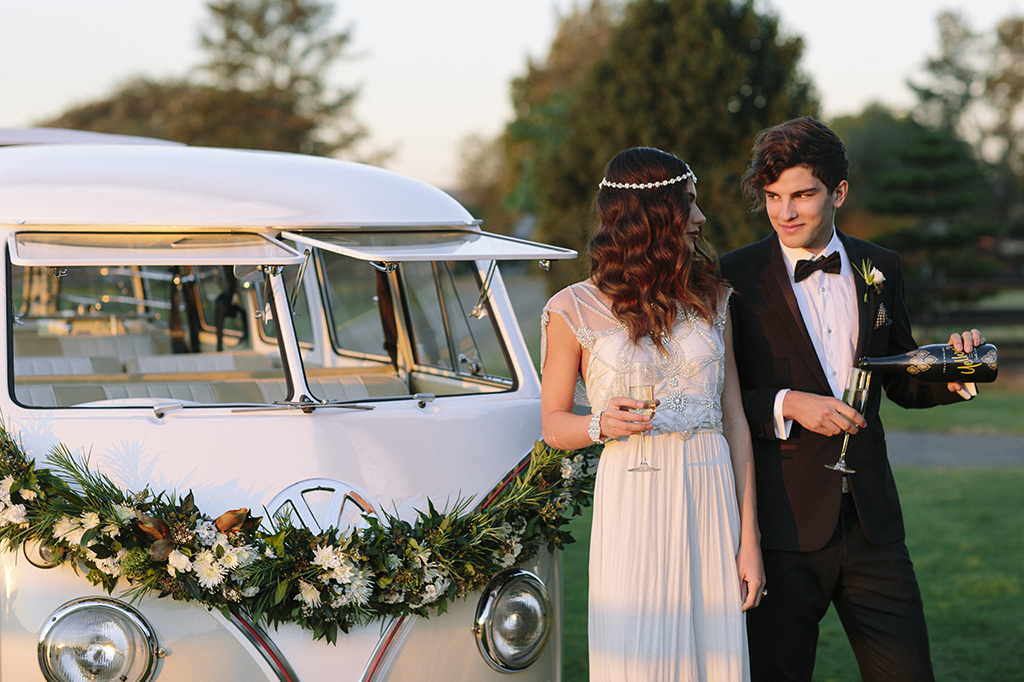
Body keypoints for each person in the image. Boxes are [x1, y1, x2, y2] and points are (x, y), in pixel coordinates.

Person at [719, 116, 984, 682]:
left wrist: (955, 373)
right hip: (781, 528)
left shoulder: (880, 267)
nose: (784, 212)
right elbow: (721, 398)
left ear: (839, 192)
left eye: (802, 195)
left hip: (873, 526)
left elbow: (902, 378)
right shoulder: (734, 278)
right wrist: (788, 403)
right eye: (772, 197)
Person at [541, 146, 765, 682]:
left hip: (711, 497)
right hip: (634, 498)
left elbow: (733, 419)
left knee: (714, 658)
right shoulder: (571, 308)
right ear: (652, 216)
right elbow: (552, 424)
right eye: (688, 204)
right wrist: (600, 425)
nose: (701, 219)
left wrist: (749, 538)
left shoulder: (713, 299)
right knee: (640, 658)